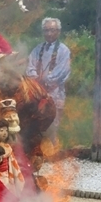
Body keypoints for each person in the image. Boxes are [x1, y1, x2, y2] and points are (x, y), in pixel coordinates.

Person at [26, 17, 70, 145]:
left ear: (58, 31)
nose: (49, 34)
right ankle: (37, 148)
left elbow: (61, 72)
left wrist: (45, 81)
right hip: (37, 91)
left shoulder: (64, 50)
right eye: (46, 30)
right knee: (36, 119)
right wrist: (34, 78)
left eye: (52, 30)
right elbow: (30, 66)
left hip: (55, 92)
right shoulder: (37, 49)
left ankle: (52, 148)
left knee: (53, 121)